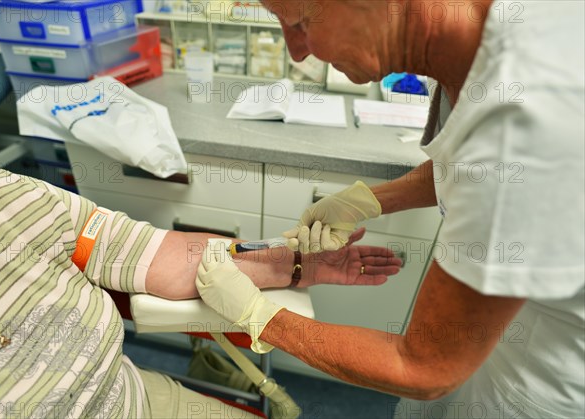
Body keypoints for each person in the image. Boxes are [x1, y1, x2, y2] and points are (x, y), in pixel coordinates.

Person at [195, 0, 585, 418]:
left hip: (531, 387)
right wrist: (366, 201)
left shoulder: (532, 114)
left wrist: (258, 317)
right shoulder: (485, 40)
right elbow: (467, 166)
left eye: (301, 23)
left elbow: (422, 368)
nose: (297, 52)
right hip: (491, 345)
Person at [0, 168, 402, 418]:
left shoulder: (6, 195)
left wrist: (292, 265)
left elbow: (158, 255)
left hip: (125, 397)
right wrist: (262, 317)